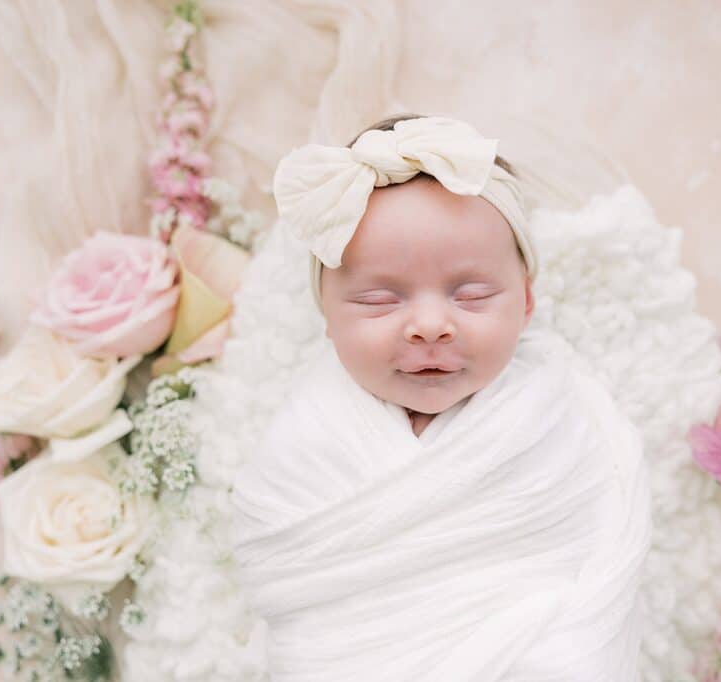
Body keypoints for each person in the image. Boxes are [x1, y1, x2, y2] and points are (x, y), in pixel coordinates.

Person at [230, 114, 652, 681]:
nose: (430, 325)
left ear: (526, 303)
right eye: (380, 300)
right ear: (326, 316)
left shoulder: (562, 420)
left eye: (472, 294)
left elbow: (599, 577)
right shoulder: (309, 434)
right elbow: (279, 570)